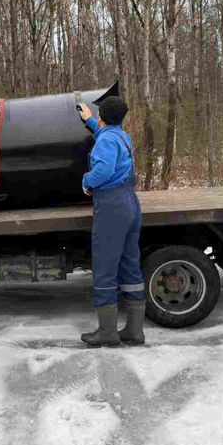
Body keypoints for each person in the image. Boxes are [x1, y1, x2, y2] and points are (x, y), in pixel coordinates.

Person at [78, 96, 145, 347]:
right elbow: (107, 137)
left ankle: (107, 331)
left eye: (97, 114)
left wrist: (86, 182)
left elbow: (103, 170)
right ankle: (135, 331)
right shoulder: (121, 136)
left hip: (111, 206)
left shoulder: (107, 140)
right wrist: (90, 122)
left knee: (105, 266)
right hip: (130, 202)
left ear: (103, 115)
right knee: (130, 266)